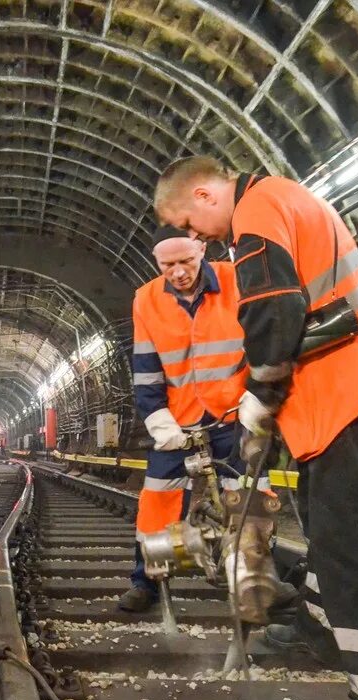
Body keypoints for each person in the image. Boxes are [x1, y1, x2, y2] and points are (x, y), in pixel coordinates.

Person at [154, 156, 358, 700]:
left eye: (190, 224)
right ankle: (322, 640)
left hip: (346, 396)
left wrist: (262, 395)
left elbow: (272, 313)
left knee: (357, 552)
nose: (197, 238)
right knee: (334, 543)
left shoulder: (256, 212)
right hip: (346, 397)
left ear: (204, 193)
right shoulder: (284, 198)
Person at [121, 225, 261, 612]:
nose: (179, 272)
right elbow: (146, 367)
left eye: (186, 261)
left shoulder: (237, 280)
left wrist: (259, 397)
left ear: (202, 249)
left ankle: (252, 583)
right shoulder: (146, 300)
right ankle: (148, 582)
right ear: (156, 262)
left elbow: (263, 340)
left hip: (234, 414)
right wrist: (157, 418)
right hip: (179, 419)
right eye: (168, 265)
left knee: (249, 498)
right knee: (158, 502)